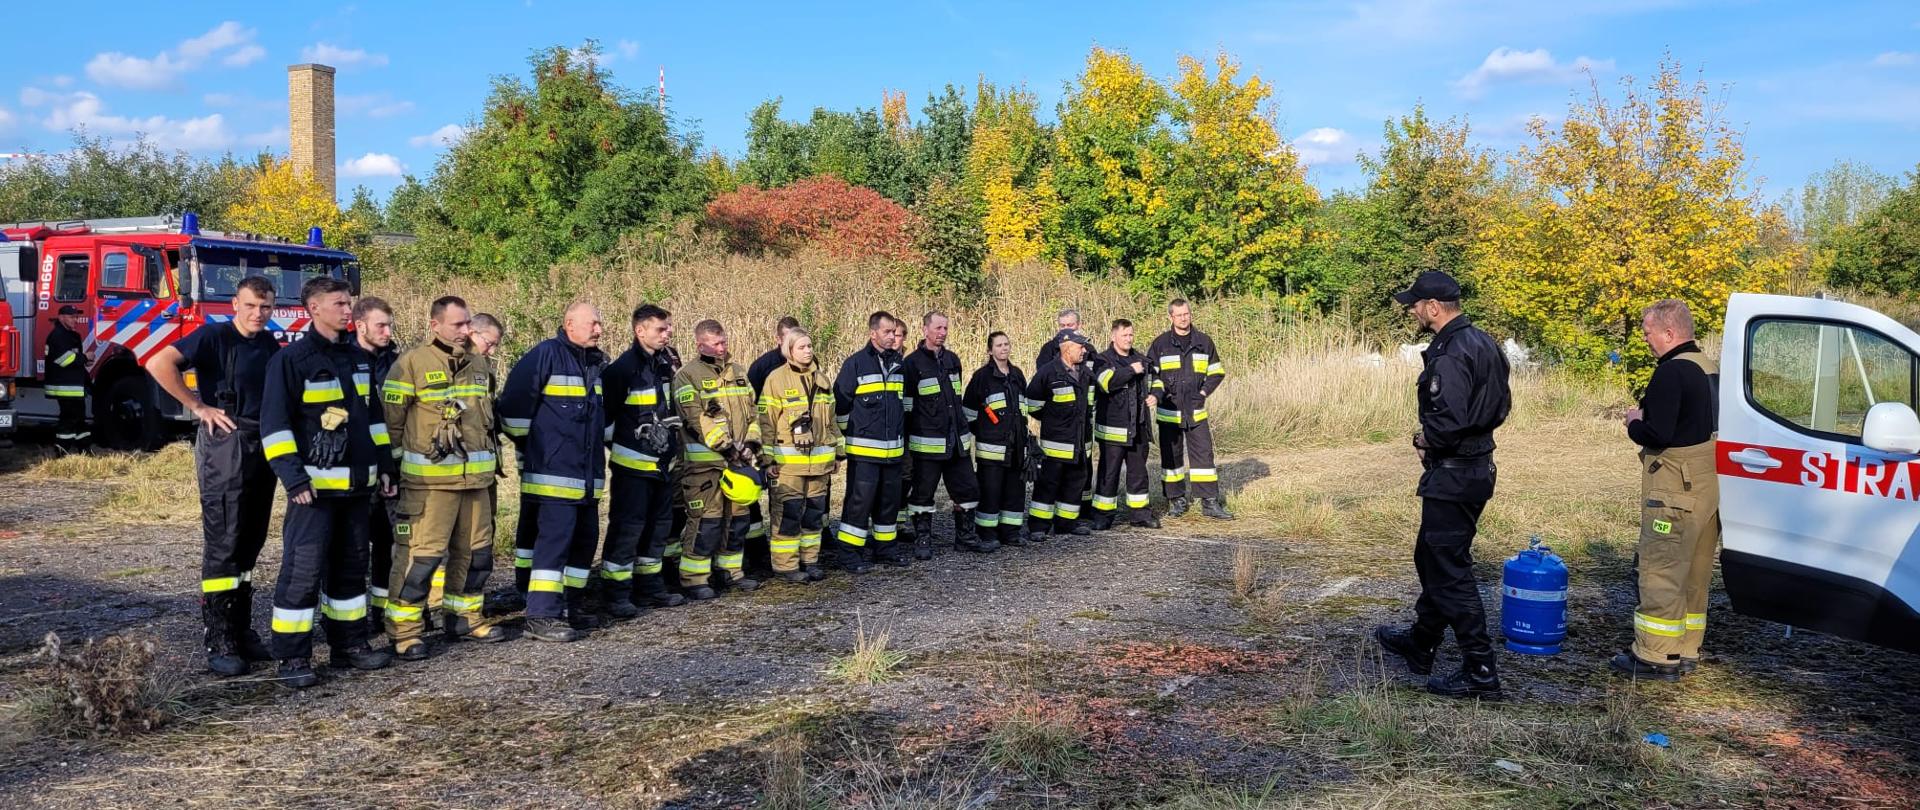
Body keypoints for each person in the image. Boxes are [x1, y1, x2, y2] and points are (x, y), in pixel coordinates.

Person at [1373, 271, 1512, 700]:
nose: (1412, 310)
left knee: (1449, 569)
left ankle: (1480, 670)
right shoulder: (1484, 342)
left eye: (1416, 304)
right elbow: (1501, 406)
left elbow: (1448, 420)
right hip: (1474, 468)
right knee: (1431, 555)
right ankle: (1422, 640)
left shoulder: (1451, 352)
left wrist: (1425, 439)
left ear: (1434, 307)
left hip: (1454, 472)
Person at [259, 277, 396, 688]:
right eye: (339, 303)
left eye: (349, 302)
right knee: (303, 572)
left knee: (352, 570)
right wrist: (293, 478)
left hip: (356, 489)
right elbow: (275, 426)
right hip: (313, 494)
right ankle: (292, 656)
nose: (347, 310)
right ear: (313, 309)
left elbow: (373, 418)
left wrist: (385, 465)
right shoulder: (291, 360)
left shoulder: (356, 358)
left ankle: (349, 645)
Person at [148, 276, 281, 676]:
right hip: (226, 444)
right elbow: (158, 363)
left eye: (266, 307)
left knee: (251, 541)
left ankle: (241, 631)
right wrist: (196, 405)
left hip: (261, 445)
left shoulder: (269, 345)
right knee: (225, 541)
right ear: (235, 305)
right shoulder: (213, 337)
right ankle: (219, 636)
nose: (259, 314)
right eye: (251, 306)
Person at [379, 295, 507, 661]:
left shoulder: (479, 364)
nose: (466, 330)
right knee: (420, 560)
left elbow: (487, 419)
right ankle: (405, 632)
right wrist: (394, 473)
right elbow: (392, 426)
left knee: (476, 556)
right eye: (457, 325)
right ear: (434, 325)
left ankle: (464, 618)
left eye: (468, 323)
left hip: (477, 484)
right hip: (429, 486)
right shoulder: (411, 364)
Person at [1613, 299, 1721, 681]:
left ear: (1670, 333)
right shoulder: (1708, 368)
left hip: (1674, 490)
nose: (1646, 340)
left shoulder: (1671, 373)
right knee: (1694, 571)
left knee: (1660, 568)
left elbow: (1657, 433)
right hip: (1709, 488)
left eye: (1648, 333)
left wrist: (1632, 422)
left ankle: (1655, 656)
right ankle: (1687, 648)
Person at [497, 301, 609, 642]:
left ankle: (569, 606)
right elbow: (513, 413)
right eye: (593, 323)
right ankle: (541, 615)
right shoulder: (546, 355)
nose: (599, 330)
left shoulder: (594, 364)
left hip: (586, 479)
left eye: (599, 324)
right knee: (552, 547)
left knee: (584, 544)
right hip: (553, 477)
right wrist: (538, 451)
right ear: (569, 324)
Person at [601, 304, 691, 613]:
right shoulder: (622, 369)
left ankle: (650, 587)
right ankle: (616, 593)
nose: (667, 334)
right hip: (633, 468)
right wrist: (634, 442)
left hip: (663, 465)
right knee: (628, 530)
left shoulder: (664, 363)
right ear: (640, 331)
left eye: (668, 329)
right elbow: (605, 422)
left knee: (658, 529)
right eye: (660, 329)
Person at [671, 319, 762, 599]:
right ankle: (695, 579)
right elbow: (695, 419)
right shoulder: (687, 376)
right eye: (716, 343)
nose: (723, 348)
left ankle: (731, 573)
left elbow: (753, 413)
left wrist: (751, 443)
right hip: (704, 466)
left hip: (738, 464)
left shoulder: (738, 372)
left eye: (724, 341)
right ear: (700, 345)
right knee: (706, 523)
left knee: (737, 522)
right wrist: (726, 447)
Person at [904, 311, 992, 556]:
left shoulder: (953, 360)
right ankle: (922, 539)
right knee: (923, 493)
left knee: (968, 489)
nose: (942, 333)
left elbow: (956, 399)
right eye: (938, 328)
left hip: (956, 442)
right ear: (925, 330)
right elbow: (908, 408)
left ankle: (965, 537)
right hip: (927, 444)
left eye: (945, 329)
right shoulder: (912, 364)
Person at [757, 326, 841, 582]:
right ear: (789, 350)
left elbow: (832, 421)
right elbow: (766, 422)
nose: (808, 351)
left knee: (815, 516)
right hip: (788, 466)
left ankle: (810, 561)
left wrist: (837, 454)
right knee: (788, 515)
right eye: (802, 347)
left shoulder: (823, 380)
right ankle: (786, 566)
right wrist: (767, 460)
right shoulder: (776, 379)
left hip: (819, 465)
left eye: (810, 346)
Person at [831, 311, 909, 571]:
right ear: (872, 333)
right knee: (858, 503)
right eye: (887, 332)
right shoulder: (855, 364)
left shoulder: (899, 365)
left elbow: (902, 407)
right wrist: (851, 435)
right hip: (864, 452)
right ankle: (849, 553)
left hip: (893, 452)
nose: (892, 337)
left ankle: (885, 548)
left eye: (894, 332)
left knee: (889, 502)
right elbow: (840, 406)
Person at [1151, 299, 1232, 520]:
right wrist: (1159, 395)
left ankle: (1209, 503)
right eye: (1179, 315)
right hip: (1169, 412)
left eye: (1186, 314)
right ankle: (1176, 501)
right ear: (1171, 317)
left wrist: (1203, 393)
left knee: (1204, 455)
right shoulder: (1160, 344)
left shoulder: (1203, 342)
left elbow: (1216, 372)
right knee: (1171, 458)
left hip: (1196, 410)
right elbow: (1152, 376)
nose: (1184, 318)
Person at [352, 297, 403, 634]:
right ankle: (346, 621)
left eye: (389, 325)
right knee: (353, 550)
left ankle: (382, 612)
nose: (387, 332)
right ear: (360, 326)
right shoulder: (346, 361)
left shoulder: (398, 364)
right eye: (380, 325)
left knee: (389, 543)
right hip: (354, 470)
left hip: (390, 469)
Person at [1025, 331, 1096, 538]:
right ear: (1066, 348)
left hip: (1079, 444)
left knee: (1074, 486)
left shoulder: (1085, 373)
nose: (1084, 351)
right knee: (1047, 488)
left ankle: (1066, 524)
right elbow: (1033, 405)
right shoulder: (1048, 373)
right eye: (1080, 347)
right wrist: (1054, 420)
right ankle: (1038, 527)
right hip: (1055, 445)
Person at [963, 331, 1030, 549]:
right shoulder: (982, 377)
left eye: (1006, 344)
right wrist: (985, 433)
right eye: (999, 345)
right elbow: (969, 413)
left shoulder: (1017, 375)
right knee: (990, 492)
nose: (1004, 348)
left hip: (1016, 447)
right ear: (990, 350)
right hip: (991, 449)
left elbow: (1023, 410)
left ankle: (1010, 533)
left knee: (1014, 492)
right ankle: (987, 533)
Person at [1092, 319, 1161, 530]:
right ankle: (1103, 516)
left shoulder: (1142, 359)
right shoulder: (1102, 360)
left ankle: (1140, 515)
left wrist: (1156, 395)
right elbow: (1106, 383)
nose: (1129, 339)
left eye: (1131, 335)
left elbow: (1157, 380)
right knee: (1108, 474)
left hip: (1138, 428)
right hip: (1113, 430)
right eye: (1124, 335)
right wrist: (1131, 370)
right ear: (1113, 337)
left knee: (1138, 474)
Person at [44, 305, 91, 452]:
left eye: (76, 317)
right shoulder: (57, 336)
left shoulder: (72, 336)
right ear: (61, 317)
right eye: (71, 317)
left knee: (79, 419)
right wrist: (84, 357)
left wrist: (84, 362)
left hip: (74, 386)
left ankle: (85, 450)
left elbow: (74, 359)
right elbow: (62, 360)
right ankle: (62, 451)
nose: (75, 320)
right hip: (64, 386)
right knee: (68, 420)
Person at [748, 315, 801, 396]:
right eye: (788, 339)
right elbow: (750, 401)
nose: (792, 342)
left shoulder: (809, 364)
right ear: (778, 339)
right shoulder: (761, 367)